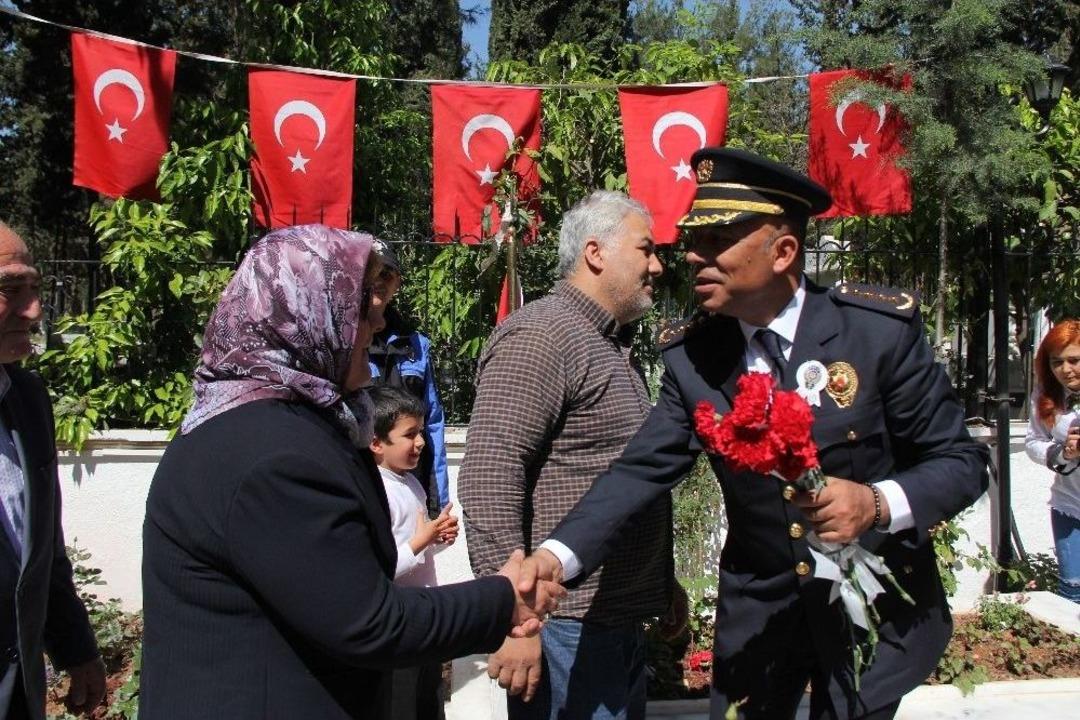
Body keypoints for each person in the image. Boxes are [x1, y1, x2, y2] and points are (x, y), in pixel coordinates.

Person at [520, 149, 990, 720]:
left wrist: (876, 503)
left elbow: (961, 464)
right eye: (694, 238)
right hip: (760, 624)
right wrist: (555, 557)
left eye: (717, 240)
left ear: (783, 252)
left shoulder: (875, 335)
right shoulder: (696, 356)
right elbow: (639, 471)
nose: (693, 255)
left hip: (868, 612)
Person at [139, 224, 563, 720]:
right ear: (304, 317)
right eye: (361, 309)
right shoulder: (273, 455)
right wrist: (503, 600)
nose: (378, 325)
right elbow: (369, 622)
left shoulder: (278, 424)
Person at [459, 190, 684, 720]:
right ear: (595, 252)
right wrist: (514, 618)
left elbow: (621, 475)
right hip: (563, 628)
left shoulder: (606, 343)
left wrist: (661, 582)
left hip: (613, 624)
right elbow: (491, 473)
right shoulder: (542, 334)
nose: (657, 266)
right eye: (646, 249)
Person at [0, 222, 105, 720]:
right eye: (10, 288)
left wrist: (75, 646)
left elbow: (43, 546)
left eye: (35, 287)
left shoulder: (27, 400)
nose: (35, 309)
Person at [369, 385, 458, 720]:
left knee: (429, 704)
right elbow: (381, 567)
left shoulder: (411, 483)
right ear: (376, 442)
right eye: (409, 434)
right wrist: (423, 540)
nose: (420, 442)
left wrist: (437, 536)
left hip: (423, 621)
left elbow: (417, 546)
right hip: (398, 627)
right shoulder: (377, 492)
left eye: (420, 432)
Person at [366, 240, 450, 516]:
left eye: (387, 274)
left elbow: (433, 423)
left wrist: (438, 503)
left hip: (410, 489)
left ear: (397, 283)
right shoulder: (342, 342)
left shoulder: (416, 345)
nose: (379, 281)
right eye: (371, 272)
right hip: (361, 487)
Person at [1025, 319, 1080, 603]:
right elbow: (1033, 442)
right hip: (1069, 506)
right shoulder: (1045, 396)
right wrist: (1063, 453)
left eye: (1074, 360)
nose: (1065, 370)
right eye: (1057, 362)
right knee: (1072, 591)